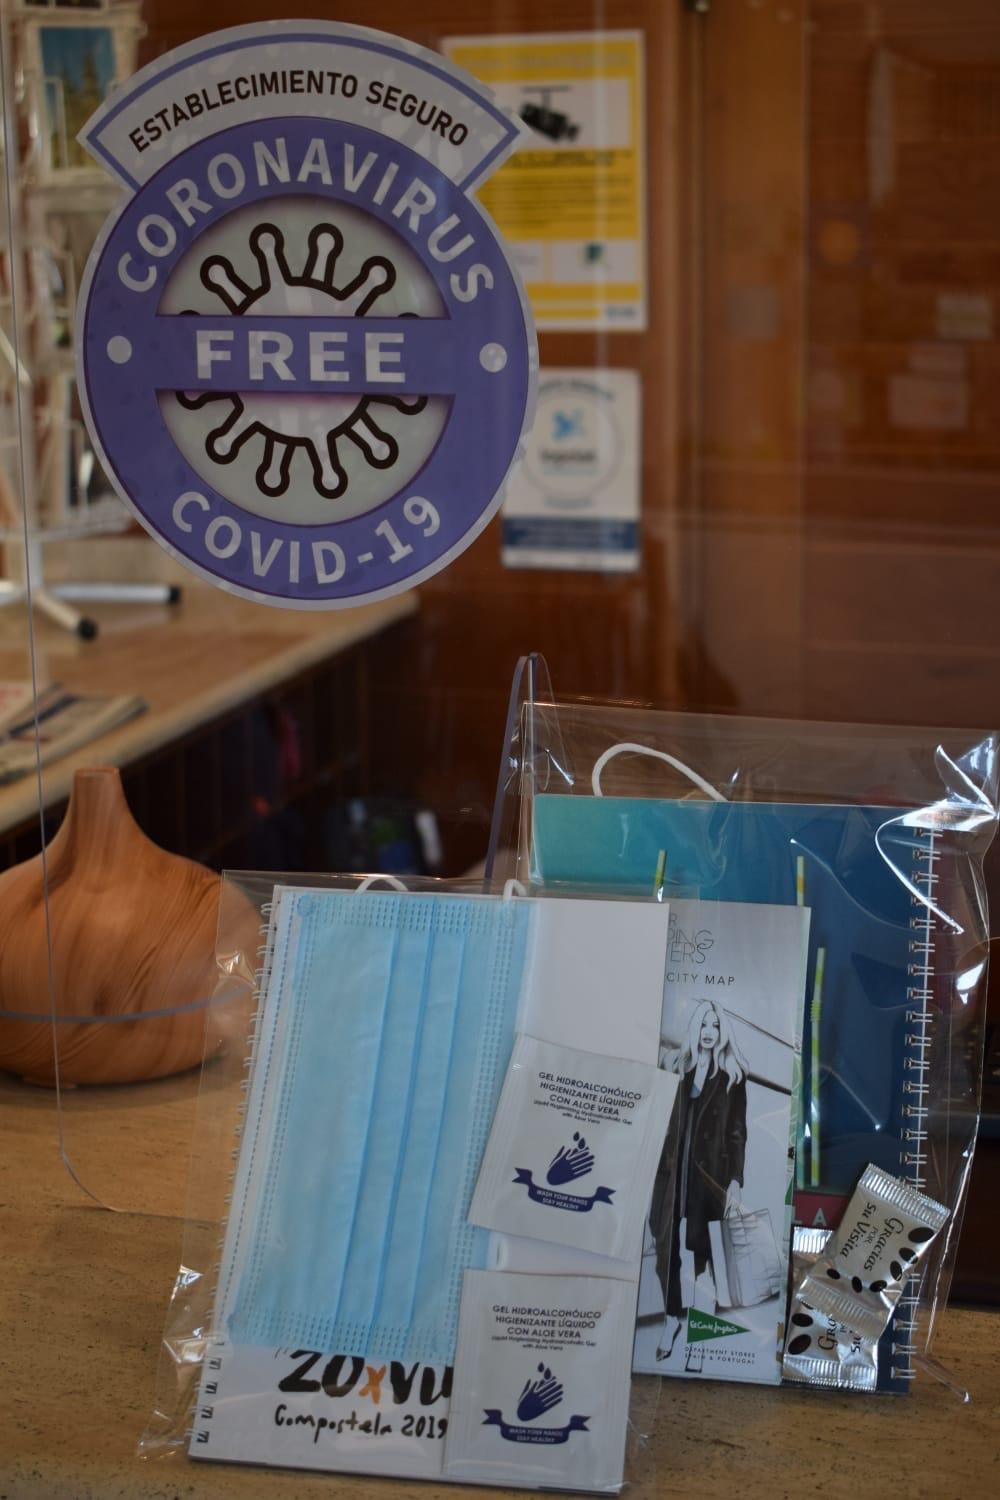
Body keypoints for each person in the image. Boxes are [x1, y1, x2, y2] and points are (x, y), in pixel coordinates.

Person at [649, 999, 748, 1366]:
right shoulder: (677, 1066)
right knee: (665, 1250)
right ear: (695, 1028)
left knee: (703, 1258)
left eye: (716, 1026)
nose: (709, 1032)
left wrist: (735, 1178)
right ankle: (672, 1318)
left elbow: (737, 1132)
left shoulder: (732, 1077)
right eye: (704, 1024)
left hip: (708, 1179)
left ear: (723, 1033)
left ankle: (698, 1338)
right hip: (670, 1174)